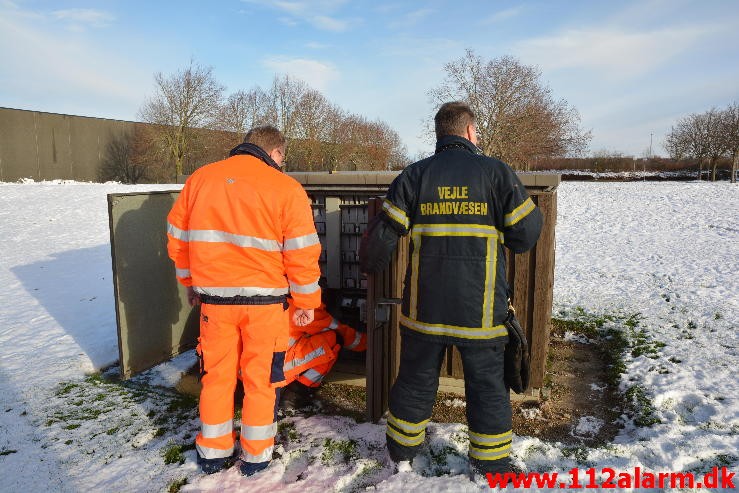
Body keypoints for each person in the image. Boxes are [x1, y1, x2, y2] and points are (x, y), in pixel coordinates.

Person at [359, 102, 542, 475]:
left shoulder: (415, 175)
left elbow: (381, 240)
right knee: (488, 386)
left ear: (440, 134)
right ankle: (491, 464)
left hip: (424, 310)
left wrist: (365, 268)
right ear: (471, 132)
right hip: (482, 311)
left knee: (414, 378)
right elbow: (525, 237)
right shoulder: (496, 174)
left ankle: (402, 452)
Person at [166, 125, 321, 476]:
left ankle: (214, 452)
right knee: (261, 380)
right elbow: (302, 253)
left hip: (215, 304)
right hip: (265, 306)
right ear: (276, 152)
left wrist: (190, 282)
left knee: (216, 378)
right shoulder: (286, 187)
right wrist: (307, 301)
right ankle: (256, 456)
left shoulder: (200, 180)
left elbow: (177, 239)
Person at [280, 298, 367, 409]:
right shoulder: (301, 307)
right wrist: (369, 342)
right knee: (334, 340)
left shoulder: (268, 297)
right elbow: (344, 334)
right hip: (276, 371)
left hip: (256, 368)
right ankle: (296, 392)